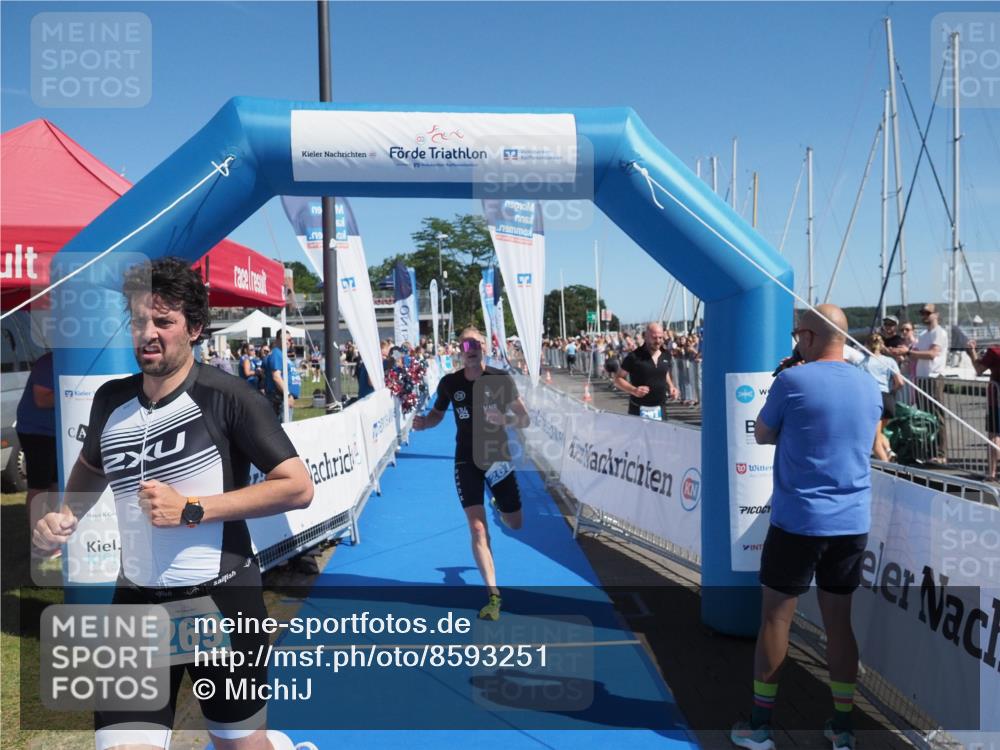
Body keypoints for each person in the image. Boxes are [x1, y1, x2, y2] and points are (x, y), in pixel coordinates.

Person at [32, 257, 313, 750]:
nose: (148, 334)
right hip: (137, 604)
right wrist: (66, 513)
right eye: (139, 321)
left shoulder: (229, 397)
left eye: (163, 321)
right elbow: (93, 467)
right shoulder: (110, 400)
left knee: (238, 743)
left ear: (196, 328)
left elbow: (296, 486)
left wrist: (193, 509)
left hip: (221, 602)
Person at [731, 305, 881, 750]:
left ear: (811, 337)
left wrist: (787, 378)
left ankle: (760, 727)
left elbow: (761, 433)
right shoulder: (869, 383)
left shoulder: (792, 380)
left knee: (776, 619)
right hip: (852, 522)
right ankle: (843, 728)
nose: (795, 342)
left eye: (798, 335)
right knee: (839, 624)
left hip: (799, 520)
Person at [411, 327, 530, 621]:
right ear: (460, 350)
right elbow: (437, 413)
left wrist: (505, 418)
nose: (472, 347)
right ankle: (493, 595)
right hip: (466, 460)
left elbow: (524, 418)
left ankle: (499, 504)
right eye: (467, 343)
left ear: (485, 348)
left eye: (477, 342)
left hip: (497, 458)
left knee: (514, 523)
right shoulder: (450, 383)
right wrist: (424, 423)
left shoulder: (500, 379)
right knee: (478, 529)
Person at [16, 351, 58, 555]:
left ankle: (54, 538)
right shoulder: (48, 362)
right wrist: (74, 392)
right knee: (40, 487)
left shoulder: (65, 359)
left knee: (57, 485)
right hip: (37, 432)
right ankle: (39, 542)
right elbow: (42, 399)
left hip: (57, 432)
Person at [905, 303, 949, 464]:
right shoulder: (924, 334)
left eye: (927, 313)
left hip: (934, 377)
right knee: (925, 416)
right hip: (922, 378)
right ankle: (928, 451)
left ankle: (941, 452)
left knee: (937, 415)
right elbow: (918, 352)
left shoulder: (939, 333)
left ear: (936, 314)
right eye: (922, 313)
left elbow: (932, 354)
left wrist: (909, 352)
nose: (924, 315)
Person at [853, 333, 904, 462]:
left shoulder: (862, 362)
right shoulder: (889, 361)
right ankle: (888, 451)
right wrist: (892, 391)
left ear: (867, 345)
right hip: (887, 398)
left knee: (874, 440)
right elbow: (900, 382)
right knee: (879, 432)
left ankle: (886, 466)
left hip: (873, 398)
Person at [614, 322, 680, 420]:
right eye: (654, 338)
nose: (658, 341)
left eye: (660, 337)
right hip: (639, 409)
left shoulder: (666, 354)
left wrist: (671, 386)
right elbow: (618, 379)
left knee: (660, 435)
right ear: (646, 336)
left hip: (660, 409)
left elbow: (664, 372)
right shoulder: (634, 356)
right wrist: (634, 390)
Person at [966, 339, 1000, 481]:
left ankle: (992, 472)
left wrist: (972, 352)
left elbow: (979, 369)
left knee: (994, 435)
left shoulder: (995, 351)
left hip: (996, 399)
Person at [262, 330, 296, 422]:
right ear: (277, 340)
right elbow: (276, 377)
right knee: (285, 431)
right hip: (280, 398)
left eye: (290, 339)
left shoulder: (282, 354)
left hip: (282, 398)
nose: (289, 342)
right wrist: (288, 395)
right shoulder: (277, 353)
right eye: (286, 339)